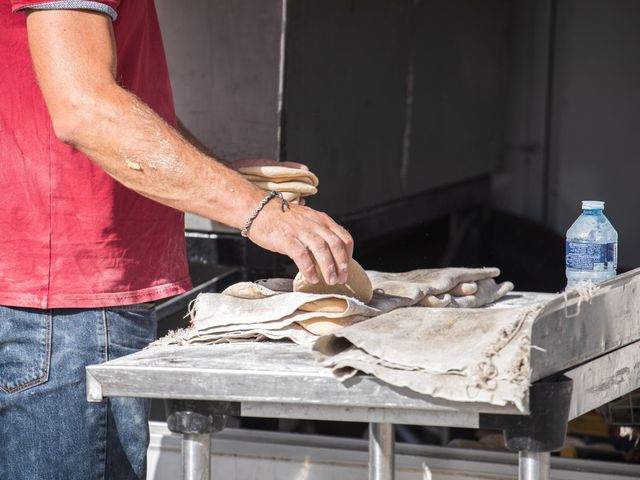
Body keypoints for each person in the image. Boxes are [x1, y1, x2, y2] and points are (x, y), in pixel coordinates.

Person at [0, 1, 353, 479]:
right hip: (64, 309)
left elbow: (126, 104)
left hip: (49, 297)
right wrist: (260, 213)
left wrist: (221, 177)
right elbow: (87, 109)